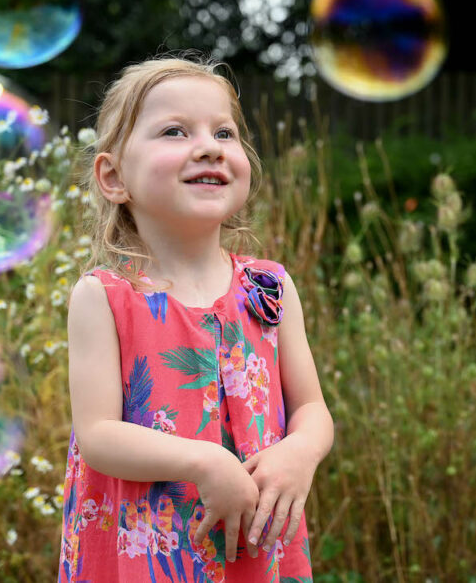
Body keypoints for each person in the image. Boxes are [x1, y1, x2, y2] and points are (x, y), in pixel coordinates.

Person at [58, 52, 334, 582]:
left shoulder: (269, 287)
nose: (208, 146)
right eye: (175, 131)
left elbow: (313, 409)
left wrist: (300, 452)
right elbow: (97, 436)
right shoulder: (106, 296)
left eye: (224, 133)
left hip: (252, 542)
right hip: (150, 547)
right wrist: (204, 461)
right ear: (113, 177)